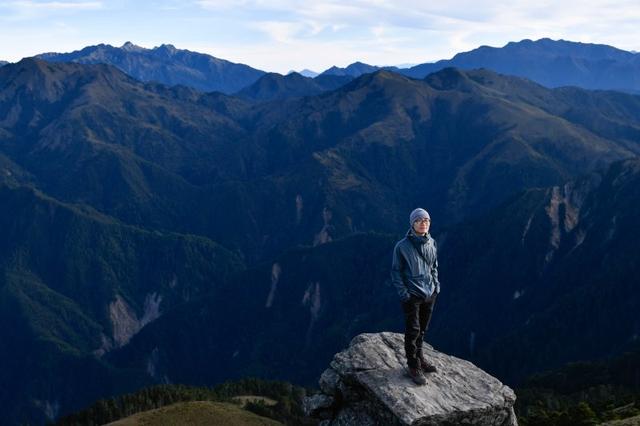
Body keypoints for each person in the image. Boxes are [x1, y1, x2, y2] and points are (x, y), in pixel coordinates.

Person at [391, 208, 440, 385]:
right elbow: (396, 272)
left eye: (426, 220)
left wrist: (436, 286)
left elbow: (434, 265)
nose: (423, 223)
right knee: (413, 331)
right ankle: (413, 366)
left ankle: (420, 358)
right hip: (413, 295)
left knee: (423, 329)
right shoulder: (402, 246)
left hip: (429, 293)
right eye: (419, 220)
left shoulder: (432, 242)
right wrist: (404, 294)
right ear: (412, 224)